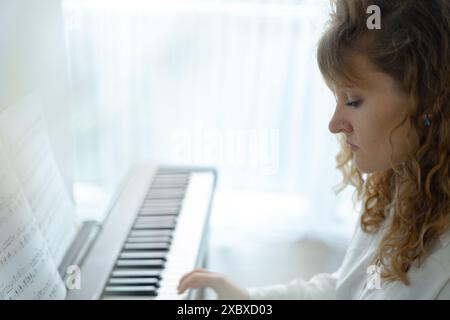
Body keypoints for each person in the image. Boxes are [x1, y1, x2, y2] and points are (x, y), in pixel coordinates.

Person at [177, 0, 450, 299]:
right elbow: (348, 288)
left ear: (427, 99)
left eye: (354, 101)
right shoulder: (401, 185)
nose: (334, 124)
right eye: (337, 98)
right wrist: (244, 299)